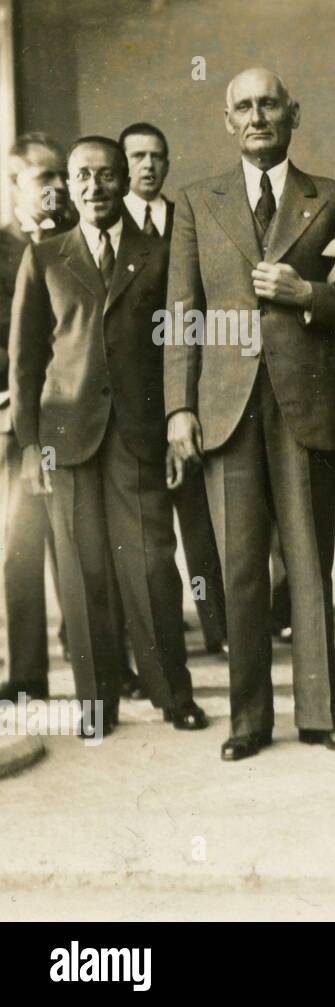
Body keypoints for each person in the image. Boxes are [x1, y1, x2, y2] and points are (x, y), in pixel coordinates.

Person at [165, 68, 335, 760]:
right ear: (228, 121)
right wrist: (178, 407)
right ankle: (248, 721)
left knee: (311, 564)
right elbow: (183, 315)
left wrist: (304, 289)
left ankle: (322, 713)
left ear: (294, 112)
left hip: (305, 402)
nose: (257, 116)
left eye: (269, 104)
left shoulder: (334, 199)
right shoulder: (197, 203)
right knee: (240, 568)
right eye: (243, 107)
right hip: (224, 407)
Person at [9, 136, 208, 736]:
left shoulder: (164, 252)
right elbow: (25, 362)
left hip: (139, 437)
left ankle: (174, 695)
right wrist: (27, 445)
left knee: (150, 567)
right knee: (82, 571)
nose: (95, 188)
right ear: (68, 185)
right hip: (64, 438)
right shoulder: (45, 258)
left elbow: (181, 343)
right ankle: (97, 706)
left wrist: (178, 421)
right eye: (82, 177)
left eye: (107, 175)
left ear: (126, 181)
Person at [120, 122, 227, 656]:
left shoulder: (186, 216)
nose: (148, 165)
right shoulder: (108, 227)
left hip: (188, 386)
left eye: (157, 156)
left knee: (201, 519)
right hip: (134, 399)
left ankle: (220, 630)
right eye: (137, 156)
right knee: (147, 531)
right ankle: (156, 640)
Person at [0, 133, 71, 705]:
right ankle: (28, 677)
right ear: (15, 185)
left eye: (60, 175)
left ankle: (103, 659)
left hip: (77, 416)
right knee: (21, 546)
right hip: (19, 419)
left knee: (86, 543)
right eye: (44, 177)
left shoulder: (82, 238)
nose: (58, 187)